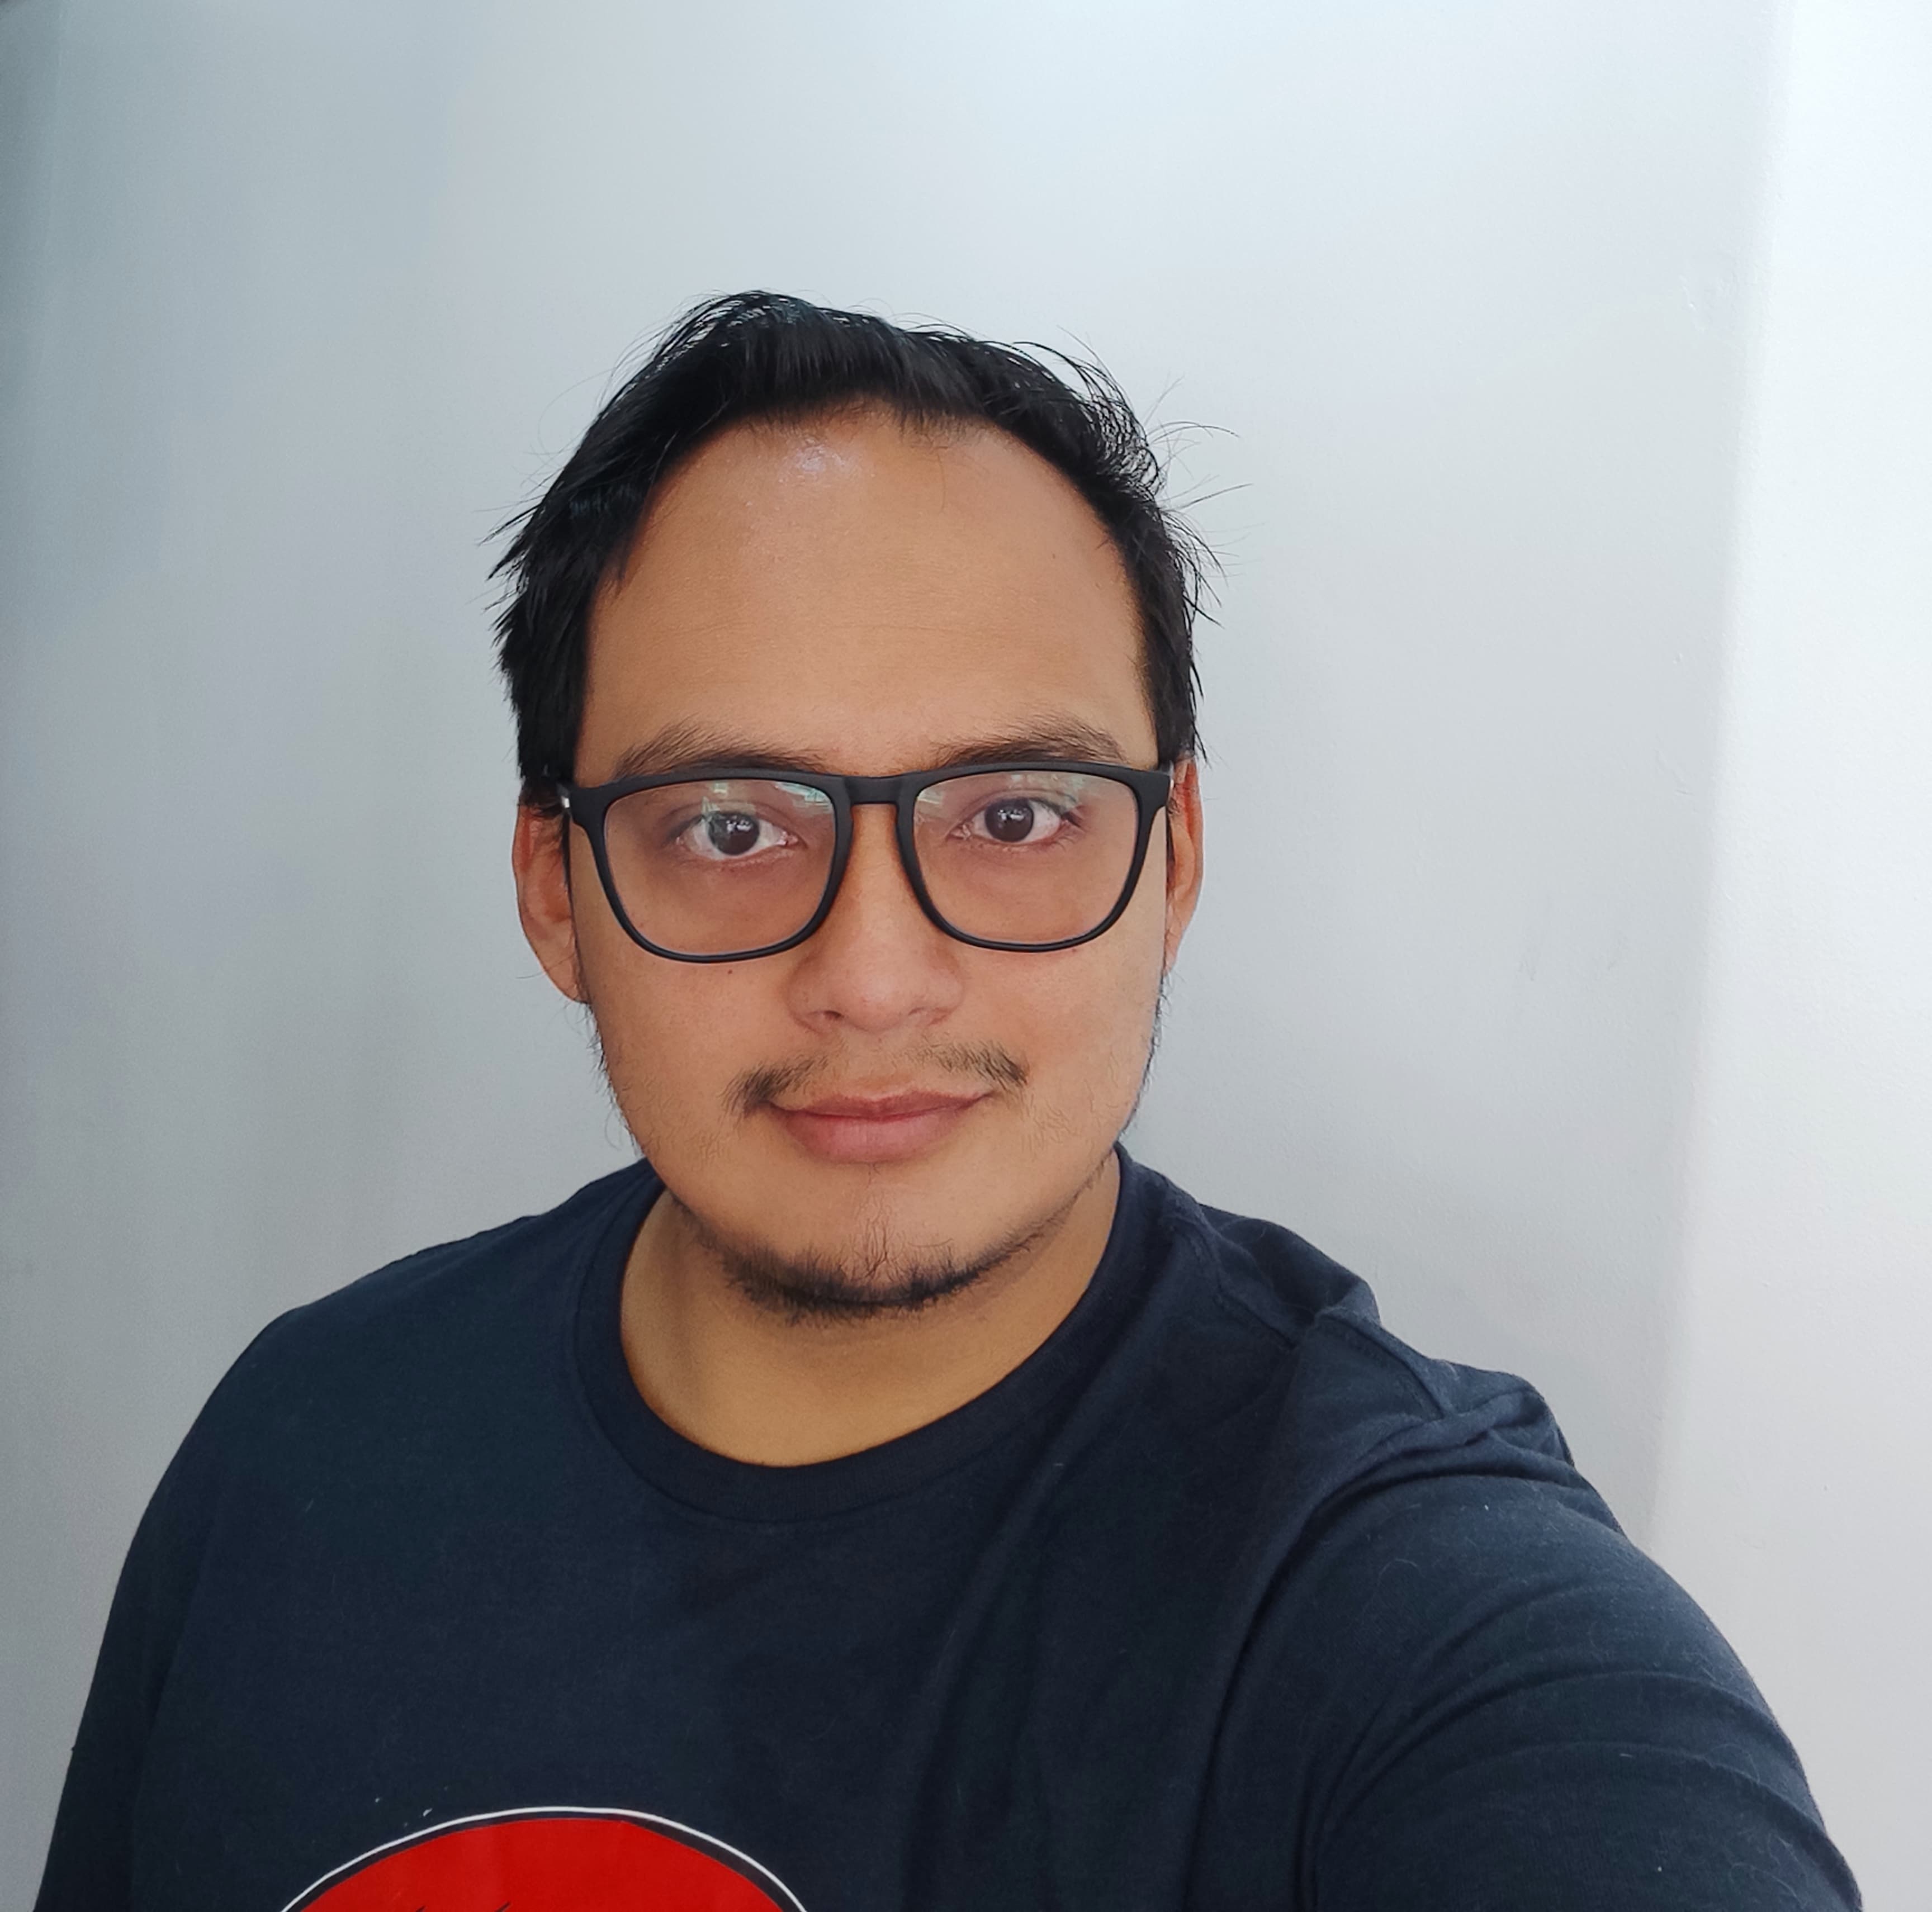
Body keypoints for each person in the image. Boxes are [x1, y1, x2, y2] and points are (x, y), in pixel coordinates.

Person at [35, 293, 1860, 1912]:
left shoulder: (1422, 1627)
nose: (876, 977)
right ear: (554, 892)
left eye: (1013, 814)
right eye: (731, 827)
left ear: (1175, 858)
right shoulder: (302, 1447)